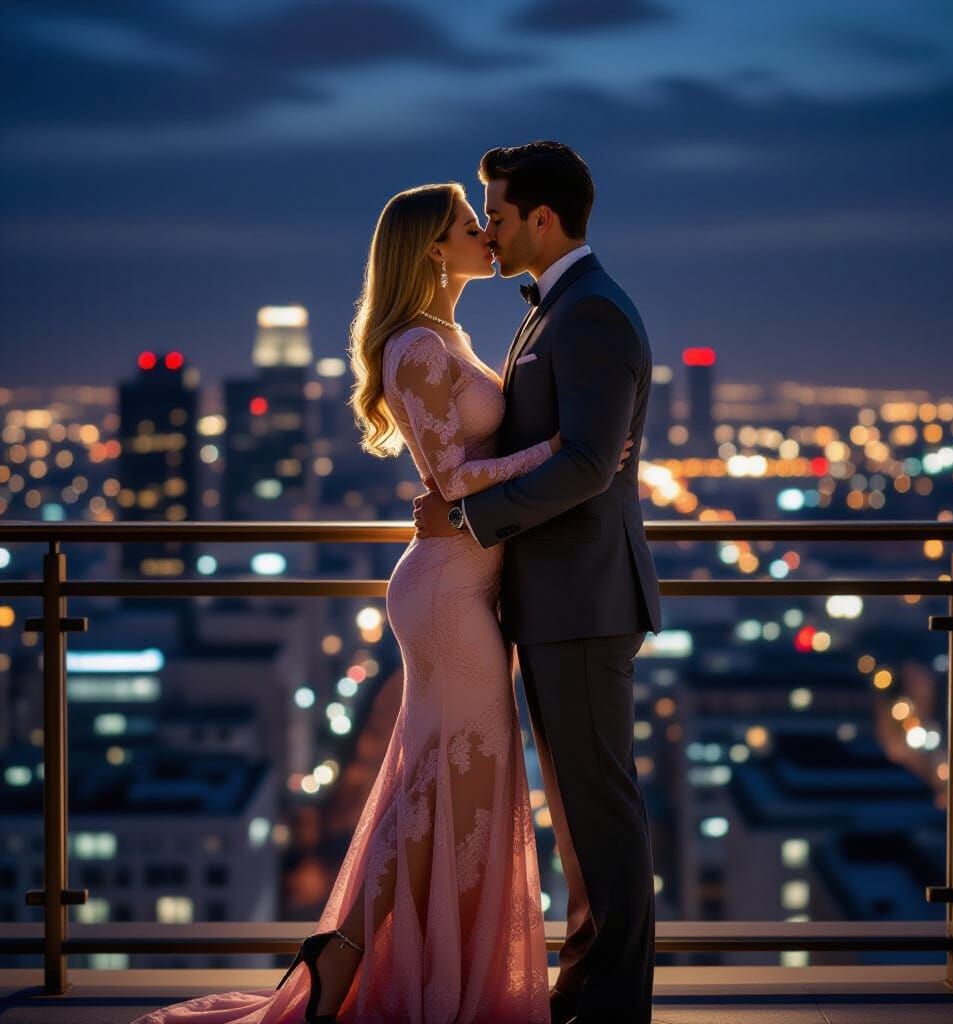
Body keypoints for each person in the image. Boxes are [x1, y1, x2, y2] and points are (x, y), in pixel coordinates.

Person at [130, 179, 632, 1024]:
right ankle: (374, 956)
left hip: (465, 581)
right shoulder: (412, 347)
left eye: (488, 221)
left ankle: (352, 950)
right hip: (446, 594)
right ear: (434, 250)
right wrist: (560, 451)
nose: (487, 235)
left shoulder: (447, 335)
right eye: (471, 226)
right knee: (449, 784)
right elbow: (453, 480)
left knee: (445, 784)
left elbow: (462, 478)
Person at [414, 141, 662, 1024]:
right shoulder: (555, 309)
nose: (488, 226)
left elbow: (592, 463)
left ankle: (612, 1004)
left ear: (542, 220)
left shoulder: (589, 313)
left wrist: (470, 519)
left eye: (499, 211)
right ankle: (590, 992)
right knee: (582, 812)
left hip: (585, 598)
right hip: (560, 597)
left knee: (598, 808)